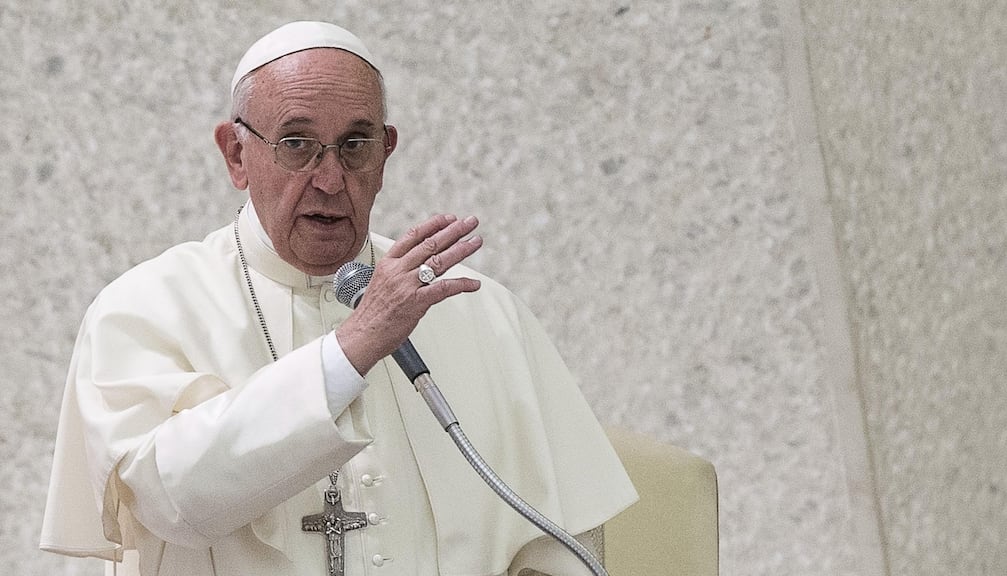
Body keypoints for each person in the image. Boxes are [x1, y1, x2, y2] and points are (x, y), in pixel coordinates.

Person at [40, 21, 636, 576]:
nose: (329, 179)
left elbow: (564, 544)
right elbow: (166, 502)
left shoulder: (485, 314)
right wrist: (350, 350)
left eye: (355, 145)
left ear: (386, 153)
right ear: (236, 154)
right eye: (296, 144)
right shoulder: (146, 308)